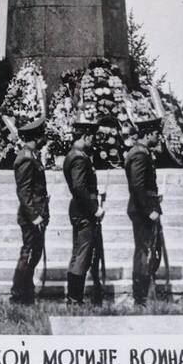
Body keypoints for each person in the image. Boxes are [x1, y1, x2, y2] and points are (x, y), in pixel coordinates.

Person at [63, 118, 105, 304]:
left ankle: (74, 296)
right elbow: (79, 187)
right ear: (86, 136)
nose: (93, 141)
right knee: (82, 254)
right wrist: (94, 208)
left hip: (80, 209)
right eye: (92, 137)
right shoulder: (79, 158)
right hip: (84, 211)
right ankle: (74, 298)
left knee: (81, 253)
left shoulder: (75, 155)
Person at [124, 116, 164, 306]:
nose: (159, 138)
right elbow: (137, 186)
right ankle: (140, 298)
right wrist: (149, 210)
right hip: (142, 211)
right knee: (143, 251)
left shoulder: (142, 152)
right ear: (148, 134)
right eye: (156, 134)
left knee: (146, 250)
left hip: (145, 207)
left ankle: (143, 294)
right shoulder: (139, 154)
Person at [10, 116, 49, 305]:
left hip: (37, 213)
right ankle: (18, 294)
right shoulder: (25, 158)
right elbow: (23, 192)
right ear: (36, 136)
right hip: (31, 216)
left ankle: (27, 290)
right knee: (28, 252)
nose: (45, 138)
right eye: (42, 135)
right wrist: (34, 216)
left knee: (34, 252)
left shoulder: (32, 156)